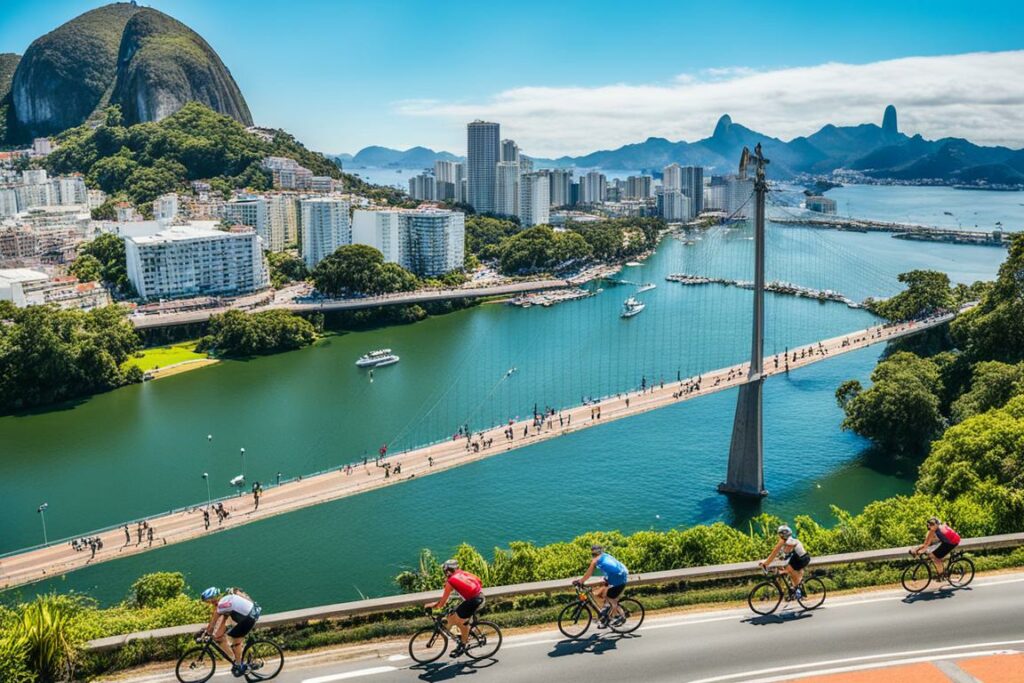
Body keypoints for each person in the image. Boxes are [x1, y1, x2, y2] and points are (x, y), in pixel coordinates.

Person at [424, 560, 483, 658]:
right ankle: (463, 634)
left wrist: (431, 605)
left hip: (473, 601)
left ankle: (462, 645)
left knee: (461, 622)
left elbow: (442, 603)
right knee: (452, 615)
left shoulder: (450, 582)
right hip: (478, 596)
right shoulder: (462, 573)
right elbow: (479, 581)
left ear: (447, 571)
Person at [200, 586, 262, 677]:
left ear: (213, 598)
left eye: (208, 601)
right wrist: (215, 634)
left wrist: (206, 633)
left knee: (235, 639)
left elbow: (213, 623)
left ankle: (239, 665)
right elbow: (222, 620)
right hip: (248, 613)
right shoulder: (224, 600)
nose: (209, 603)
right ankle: (238, 659)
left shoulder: (221, 606)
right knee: (222, 636)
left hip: (249, 617)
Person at [575, 545, 628, 627]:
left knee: (610, 597)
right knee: (603, 593)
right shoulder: (605, 555)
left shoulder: (595, 561)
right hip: (621, 573)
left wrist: (580, 581)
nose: (593, 556)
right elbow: (611, 567)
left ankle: (619, 617)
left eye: (593, 554)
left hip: (619, 579)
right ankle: (605, 613)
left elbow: (588, 574)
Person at [760, 525, 811, 598]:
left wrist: (767, 563)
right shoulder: (784, 541)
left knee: (787, 570)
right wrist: (766, 562)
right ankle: (796, 591)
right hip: (795, 559)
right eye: (779, 534)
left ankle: (797, 591)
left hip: (802, 559)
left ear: (784, 535)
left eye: (780, 534)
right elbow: (777, 554)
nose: (779, 536)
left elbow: (778, 554)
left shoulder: (790, 541)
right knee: (787, 572)